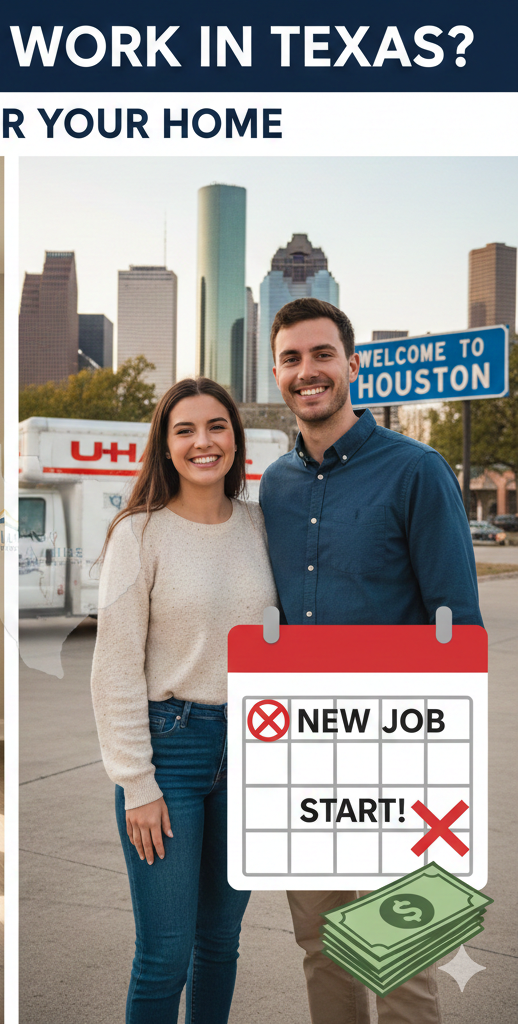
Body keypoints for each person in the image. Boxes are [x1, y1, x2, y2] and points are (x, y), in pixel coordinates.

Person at [259, 297, 483, 1024]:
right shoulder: (275, 487)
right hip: (301, 757)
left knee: (402, 962)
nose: (308, 371)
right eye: (292, 358)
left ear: (353, 366)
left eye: (322, 354)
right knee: (322, 949)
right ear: (276, 374)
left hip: (399, 757)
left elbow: (462, 630)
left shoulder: (417, 471)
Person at [90, 377, 277, 1024]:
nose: (204, 441)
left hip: (256, 747)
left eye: (217, 427)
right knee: (164, 955)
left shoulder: (259, 525)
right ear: (165, 447)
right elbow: (113, 666)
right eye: (186, 430)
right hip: (170, 751)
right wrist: (135, 780)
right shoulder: (138, 535)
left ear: (236, 438)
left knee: (220, 945)